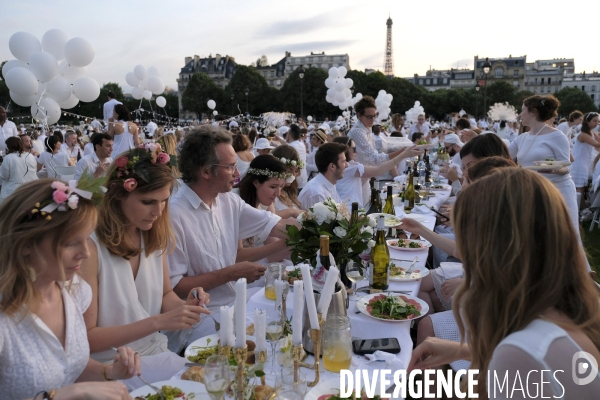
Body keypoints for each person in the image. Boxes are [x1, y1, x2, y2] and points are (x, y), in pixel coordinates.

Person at [409, 168, 600, 397]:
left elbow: (531, 359)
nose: (462, 255)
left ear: (494, 252)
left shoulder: (523, 351)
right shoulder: (569, 312)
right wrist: (472, 352)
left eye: (468, 244)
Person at [80, 144, 208, 390]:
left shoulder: (151, 234)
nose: (158, 212)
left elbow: (164, 295)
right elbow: (88, 338)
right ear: (118, 195)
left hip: (156, 354)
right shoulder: (90, 248)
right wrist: (159, 322)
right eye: (148, 201)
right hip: (110, 369)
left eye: (164, 201)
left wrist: (186, 307)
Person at [0, 179, 140, 400]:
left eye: (86, 239)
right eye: (70, 243)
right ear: (26, 244)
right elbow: (65, 387)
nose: (85, 253)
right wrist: (63, 395)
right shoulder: (5, 319)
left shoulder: (75, 290)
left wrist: (109, 372)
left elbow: (70, 367)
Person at [167, 126, 295, 341]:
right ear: (206, 172)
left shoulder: (228, 200)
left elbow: (275, 225)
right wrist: (232, 273)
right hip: (200, 323)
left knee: (287, 323)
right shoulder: (175, 214)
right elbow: (176, 288)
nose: (238, 174)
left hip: (236, 305)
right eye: (231, 167)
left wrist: (324, 225)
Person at [508, 95, 581, 236]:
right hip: (535, 192)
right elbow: (502, 154)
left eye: (522, 110)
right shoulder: (522, 138)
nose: (519, 114)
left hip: (559, 192)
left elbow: (567, 165)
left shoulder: (557, 136)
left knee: (565, 236)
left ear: (533, 112)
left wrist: (554, 167)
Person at [333, 136, 410, 208]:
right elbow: (379, 170)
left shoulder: (340, 167)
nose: (356, 151)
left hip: (345, 208)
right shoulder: (350, 168)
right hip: (349, 210)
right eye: (353, 149)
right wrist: (402, 155)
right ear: (345, 151)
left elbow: (359, 185)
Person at [348, 96, 410, 168]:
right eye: (369, 117)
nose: (373, 119)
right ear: (359, 115)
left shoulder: (366, 129)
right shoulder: (357, 131)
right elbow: (374, 159)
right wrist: (402, 152)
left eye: (375, 116)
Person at [298, 142, 347, 209]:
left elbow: (341, 211)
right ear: (332, 166)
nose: (347, 165)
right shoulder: (316, 193)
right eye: (343, 161)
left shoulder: (330, 184)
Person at [572, 112, 600, 210]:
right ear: (587, 121)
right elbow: (597, 144)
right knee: (579, 189)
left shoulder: (590, 132)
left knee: (581, 189)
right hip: (578, 164)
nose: (597, 123)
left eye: (598, 121)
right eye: (594, 121)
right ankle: (580, 212)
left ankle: (582, 211)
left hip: (584, 163)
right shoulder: (583, 134)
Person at [0, 137, 38, 203]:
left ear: (9, 146)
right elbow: (34, 169)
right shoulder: (30, 155)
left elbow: (4, 176)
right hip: (32, 189)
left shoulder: (8, 158)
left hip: (14, 192)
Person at [271, 145, 304, 211]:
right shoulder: (271, 192)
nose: (293, 175)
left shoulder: (289, 190)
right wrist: (291, 212)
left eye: (296, 171)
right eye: (290, 170)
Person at [284, 124, 308, 189]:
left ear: (290, 136)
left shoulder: (290, 147)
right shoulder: (301, 144)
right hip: (303, 178)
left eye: (287, 134)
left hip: (294, 180)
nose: (286, 136)